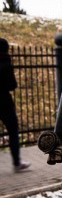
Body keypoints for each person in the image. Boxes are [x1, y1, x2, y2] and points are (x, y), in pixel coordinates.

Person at [0, 38, 31, 172]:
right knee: (13, 131)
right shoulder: (6, 63)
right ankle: (17, 162)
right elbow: (12, 85)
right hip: (4, 102)